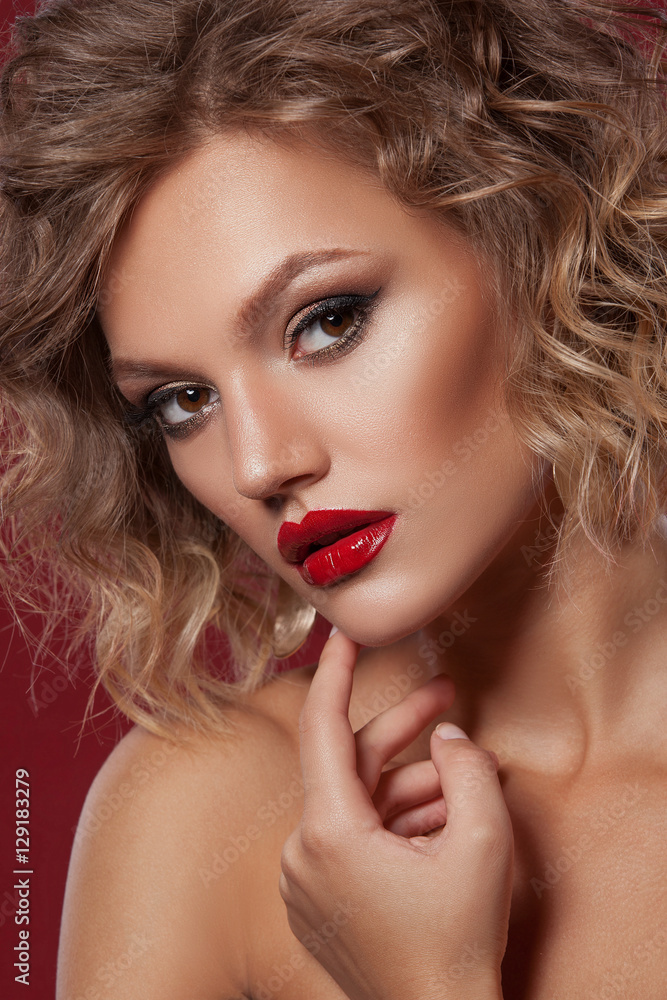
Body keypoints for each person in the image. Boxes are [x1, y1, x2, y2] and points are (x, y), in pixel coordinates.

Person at [0, 0, 665, 998]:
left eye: (327, 321)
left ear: (535, 233)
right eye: (182, 401)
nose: (260, 462)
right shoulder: (201, 816)